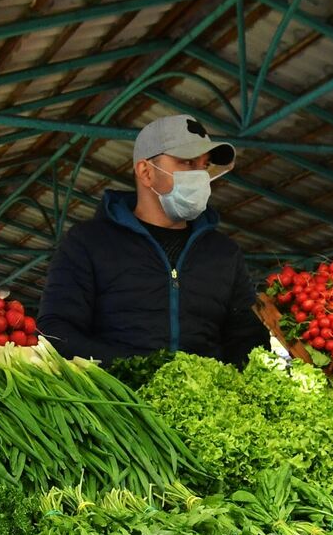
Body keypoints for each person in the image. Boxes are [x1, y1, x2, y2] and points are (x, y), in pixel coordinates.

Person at [38, 114, 266, 365]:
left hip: (209, 398)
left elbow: (247, 337)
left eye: (204, 165)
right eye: (188, 162)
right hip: (115, 400)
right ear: (145, 172)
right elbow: (57, 329)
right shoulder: (87, 243)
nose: (200, 176)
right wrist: (134, 373)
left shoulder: (224, 253)